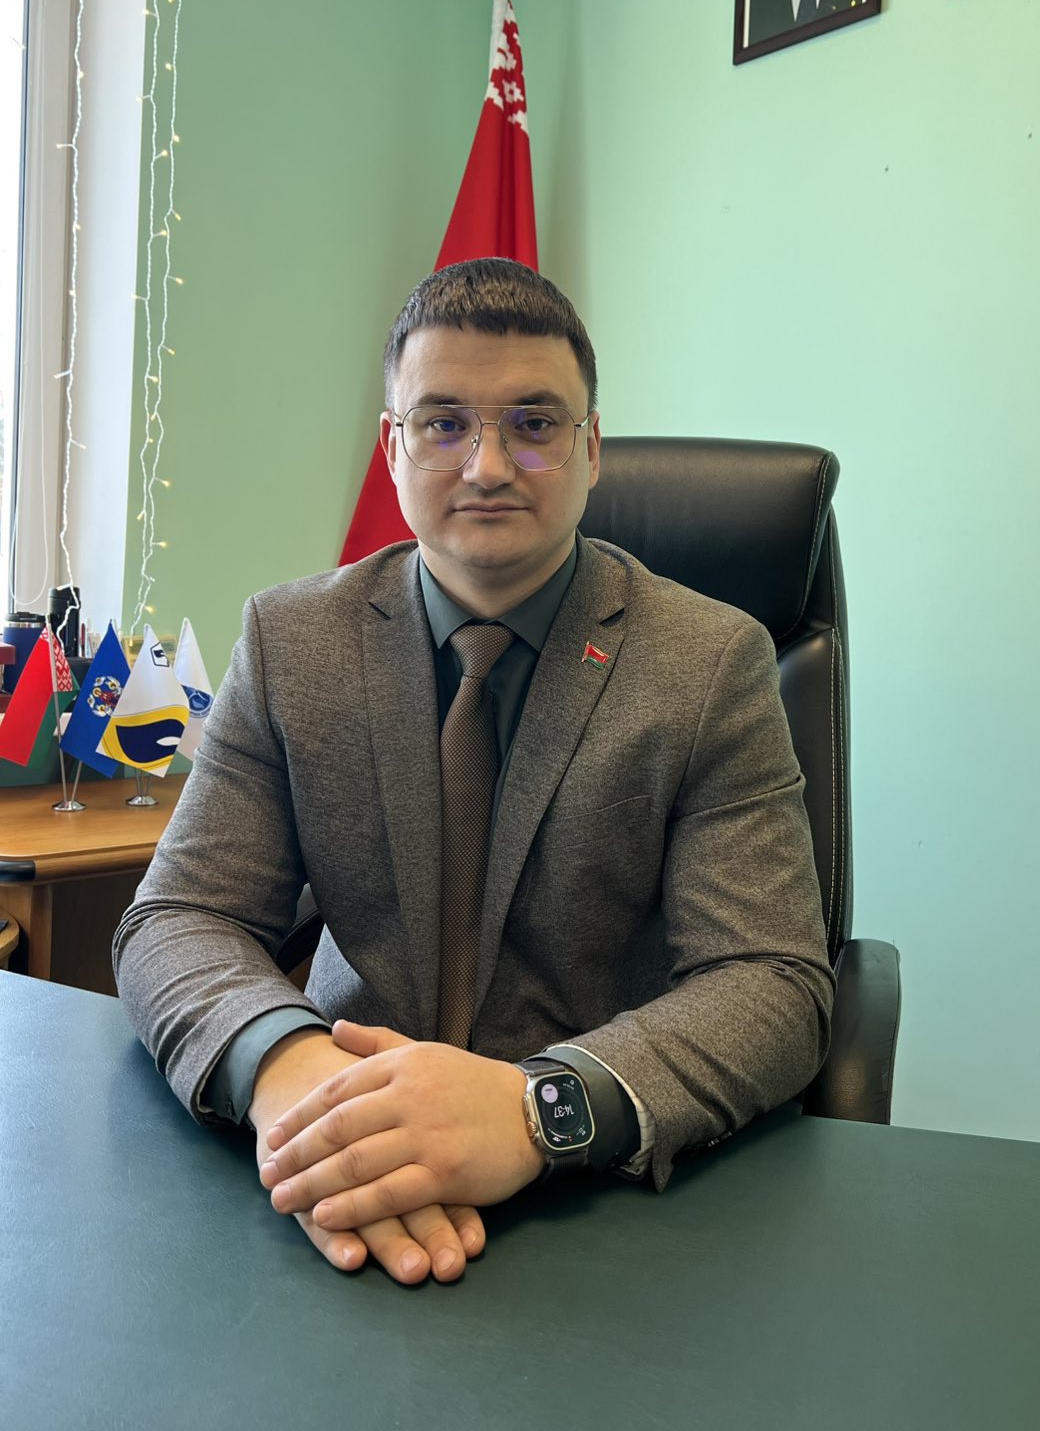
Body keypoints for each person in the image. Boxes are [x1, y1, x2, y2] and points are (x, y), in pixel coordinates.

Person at [113, 258, 834, 1287]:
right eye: (443, 422)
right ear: (392, 448)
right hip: (334, 1162)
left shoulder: (711, 663)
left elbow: (771, 981)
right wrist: (292, 1074)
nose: (488, 465)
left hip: (593, 1207)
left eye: (534, 424)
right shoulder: (291, 642)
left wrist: (540, 1108)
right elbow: (178, 916)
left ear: (592, 448)